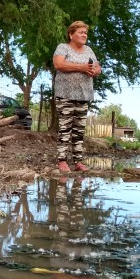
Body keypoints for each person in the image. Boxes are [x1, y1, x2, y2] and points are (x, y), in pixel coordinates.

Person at [52, 21, 101, 172]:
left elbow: (98, 67)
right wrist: (81, 67)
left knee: (79, 130)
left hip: (84, 95)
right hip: (65, 95)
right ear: (71, 34)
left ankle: (78, 162)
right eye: (81, 32)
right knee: (65, 128)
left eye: (85, 33)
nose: (84, 35)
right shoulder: (63, 47)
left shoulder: (88, 50)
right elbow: (59, 64)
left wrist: (95, 71)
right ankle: (62, 161)